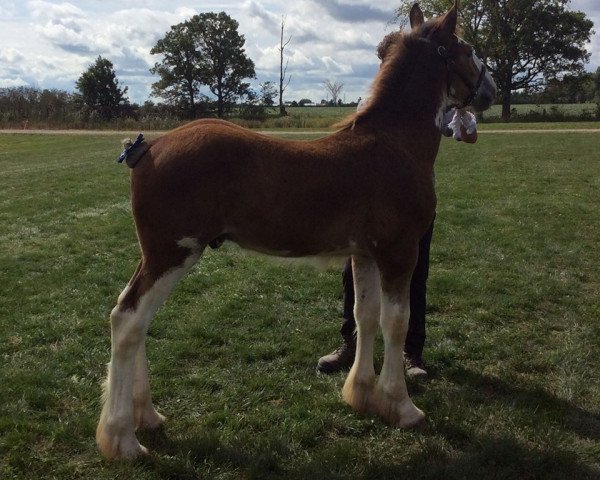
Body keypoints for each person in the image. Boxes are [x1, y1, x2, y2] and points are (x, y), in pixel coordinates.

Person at [317, 33, 478, 378]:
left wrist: (462, 112)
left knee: (414, 273)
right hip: (371, 201)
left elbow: (467, 136)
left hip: (414, 201)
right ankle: (352, 343)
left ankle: (411, 353)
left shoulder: (434, 101)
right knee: (353, 274)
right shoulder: (373, 101)